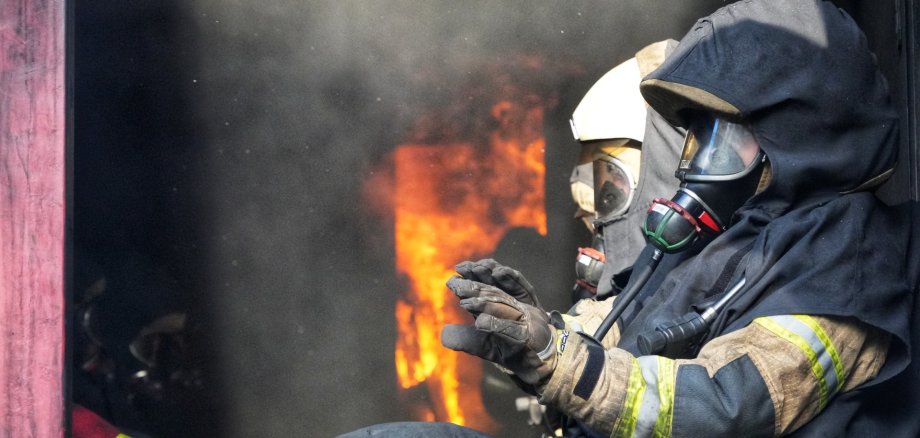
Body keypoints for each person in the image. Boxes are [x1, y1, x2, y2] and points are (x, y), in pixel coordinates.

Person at [441, 0, 915, 436]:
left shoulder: (848, 261)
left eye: (724, 137)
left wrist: (559, 363)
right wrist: (539, 333)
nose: (696, 161)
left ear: (801, 131)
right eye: (697, 137)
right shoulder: (739, 234)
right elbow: (629, 329)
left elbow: (725, 405)